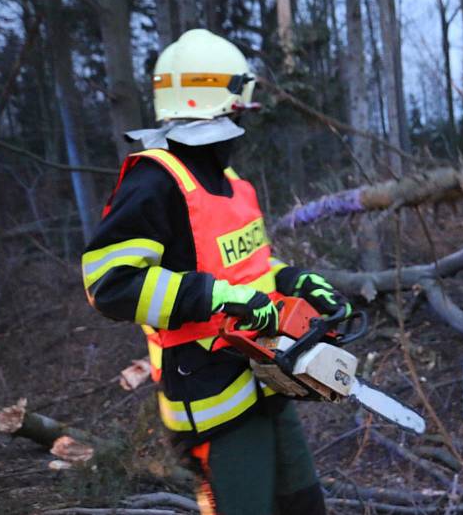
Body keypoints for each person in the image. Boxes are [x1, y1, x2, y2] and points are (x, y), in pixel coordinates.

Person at [81, 29, 350, 515]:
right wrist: (218, 298)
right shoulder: (155, 180)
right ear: (218, 102)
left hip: (267, 378)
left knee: (303, 504)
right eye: (238, 106)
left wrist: (293, 281)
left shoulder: (231, 183)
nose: (243, 116)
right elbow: (111, 283)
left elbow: (249, 266)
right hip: (211, 399)